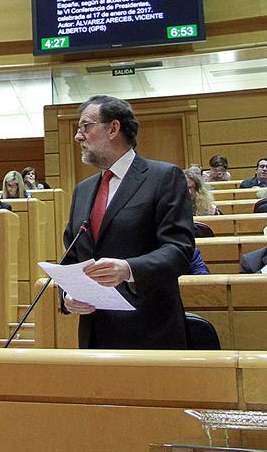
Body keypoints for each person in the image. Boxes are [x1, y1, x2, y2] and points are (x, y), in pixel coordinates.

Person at [59, 95, 194, 349]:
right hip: (94, 335)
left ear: (113, 128)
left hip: (149, 332)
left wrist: (127, 269)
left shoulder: (163, 177)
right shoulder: (83, 190)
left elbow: (179, 250)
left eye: (85, 126)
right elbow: (71, 256)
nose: (78, 136)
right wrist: (68, 294)